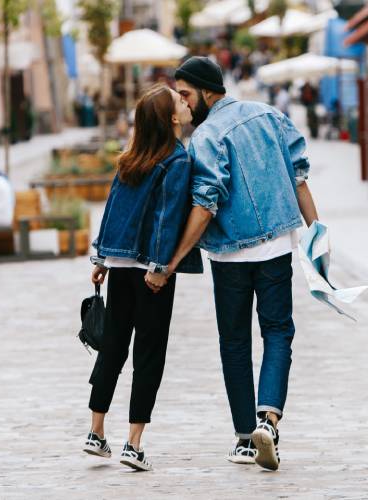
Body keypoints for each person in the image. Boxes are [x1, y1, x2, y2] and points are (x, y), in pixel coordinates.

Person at [148, 57, 319, 471]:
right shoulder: (269, 115)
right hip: (277, 245)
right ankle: (269, 420)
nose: (184, 106)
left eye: (186, 95)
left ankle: (246, 438)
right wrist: (317, 235)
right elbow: (299, 177)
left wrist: (170, 263)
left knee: (235, 342)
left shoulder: (206, 137)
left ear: (208, 91)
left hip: (230, 255)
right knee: (279, 332)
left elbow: (205, 205)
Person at [83, 84, 202, 471]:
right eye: (178, 101)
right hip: (151, 271)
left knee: (113, 348)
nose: (185, 103)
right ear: (170, 118)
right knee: (148, 354)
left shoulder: (130, 158)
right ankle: (133, 444)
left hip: (119, 267)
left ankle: (96, 431)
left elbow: (113, 209)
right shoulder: (177, 160)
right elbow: (168, 218)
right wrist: (160, 266)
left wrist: (102, 256)